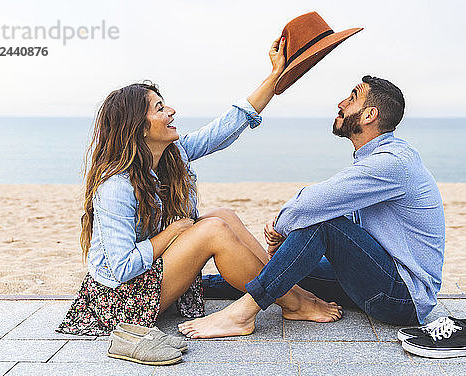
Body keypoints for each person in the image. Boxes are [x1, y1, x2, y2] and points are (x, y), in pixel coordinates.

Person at [57, 37, 342, 336]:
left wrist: (274, 77)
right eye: (159, 108)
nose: (171, 111)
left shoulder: (171, 156)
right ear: (139, 127)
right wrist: (171, 233)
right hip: (119, 302)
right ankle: (294, 303)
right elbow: (121, 268)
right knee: (213, 229)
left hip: (148, 284)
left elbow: (226, 127)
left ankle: (290, 290)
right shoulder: (116, 187)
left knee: (224, 216)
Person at [178, 75, 445, 339]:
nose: (340, 103)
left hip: (401, 296)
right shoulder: (378, 157)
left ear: (369, 115)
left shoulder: (392, 162)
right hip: (378, 276)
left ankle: (242, 314)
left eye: (352, 98)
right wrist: (290, 242)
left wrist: (281, 229)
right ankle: (188, 290)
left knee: (321, 224)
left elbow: (311, 204)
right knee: (286, 272)